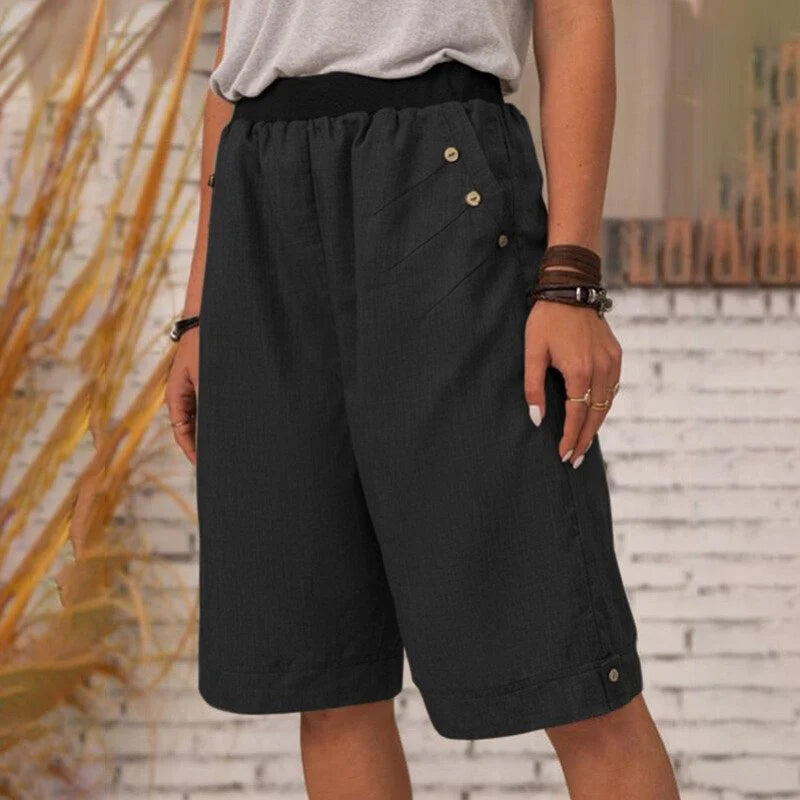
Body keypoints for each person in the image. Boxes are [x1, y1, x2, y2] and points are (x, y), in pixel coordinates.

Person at [165, 1, 681, 798]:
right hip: (261, 189)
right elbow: (236, 55)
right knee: (328, 687)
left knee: (576, 673)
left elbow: (574, 16)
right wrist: (201, 308)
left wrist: (572, 278)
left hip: (437, 170)